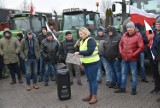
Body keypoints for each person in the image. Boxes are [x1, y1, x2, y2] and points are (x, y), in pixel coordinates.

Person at [114, 21, 144, 95]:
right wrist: (121, 52)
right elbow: (120, 45)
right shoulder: (124, 35)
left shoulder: (138, 36)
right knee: (123, 73)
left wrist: (133, 54)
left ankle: (134, 89)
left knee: (134, 74)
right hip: (124, 58)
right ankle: (122, 88)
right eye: (128, 27)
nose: (129, 29)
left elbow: (141, 47)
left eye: (130, 27)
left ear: (133, 28)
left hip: (133, 59)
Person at [74, 27, 100, 104]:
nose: (80, 35)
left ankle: (94, 96)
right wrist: (81, 62)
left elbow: (89, 52)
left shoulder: (91, 40)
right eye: (79, 34)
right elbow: (82, 52)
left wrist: (79, 52)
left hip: (93, 63)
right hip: (86, 63)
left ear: (85, 33)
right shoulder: (82, 41)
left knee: (93, 80)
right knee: (89, 80)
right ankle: (90, 95)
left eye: (81, 34)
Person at [150, 17, 160, 95]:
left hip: (158, 57)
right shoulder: (154, 32)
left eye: (159, 24)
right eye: (157, 24)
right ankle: (157, 88)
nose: (158, 25)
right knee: (155, 74)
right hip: (154, 57)